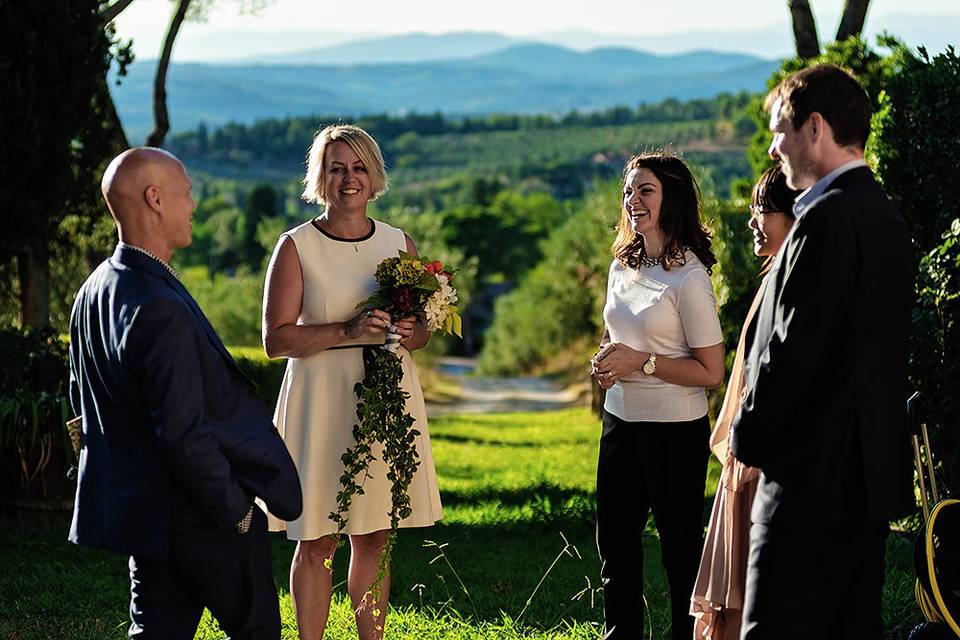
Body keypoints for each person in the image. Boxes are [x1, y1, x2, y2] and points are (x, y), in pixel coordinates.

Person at [68, 147, 303, 639]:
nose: (194, 204)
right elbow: (181, 433)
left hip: (146, 519)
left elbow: (82, 406)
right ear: (155, 199)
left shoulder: (93, 290)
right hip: (201, 516)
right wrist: (237, 514)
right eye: (187, 193)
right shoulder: (158, 304)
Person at [729, 64, 915, 639]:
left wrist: (747, 434)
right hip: (864, 482)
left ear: (815, 128)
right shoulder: (884, 214)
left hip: (809, 480)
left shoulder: (825, 220)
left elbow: (793, 351)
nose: (774, 146)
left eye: (780, 130)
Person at [261, 124, 443, 640]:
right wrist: (346, 330)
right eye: (336, 167)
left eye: (359, 166)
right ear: (320, 176)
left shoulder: (398, 242)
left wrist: (413, 331)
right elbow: (275, 340)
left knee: (375, 535)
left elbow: (424, 331)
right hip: (319, 404)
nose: (348, 178)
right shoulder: (296, 246)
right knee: (317, 538)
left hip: (385, 403)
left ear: (374, 174)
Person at [592, 151, 725, 640]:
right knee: (616, 547)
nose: (632, 200)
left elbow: (712, 371)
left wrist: (643, 362)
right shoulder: (622, 264)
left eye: (645, 190)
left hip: (675, 433)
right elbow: (620, 333)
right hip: (618, 423)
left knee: (679, 553)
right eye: (628, 191)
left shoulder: (690, 278)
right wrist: (607, 357)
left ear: (672, 200)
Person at [690, 165, 799, 640]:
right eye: (754, 209)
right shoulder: (773, 275)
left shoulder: (791, 279)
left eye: (765, 210)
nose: (754, 220)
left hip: (760, 459)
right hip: (746, 450)